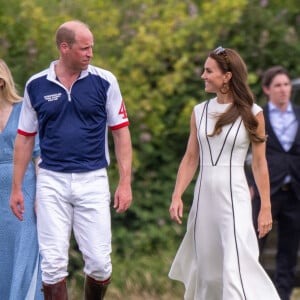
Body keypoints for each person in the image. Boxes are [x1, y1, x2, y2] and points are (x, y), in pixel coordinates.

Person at [10, 20, 132, 299]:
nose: (90, 53)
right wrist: (17, 187)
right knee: (52, 265)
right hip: (51, 180)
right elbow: (25, 138)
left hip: (93, 179)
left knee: (100, 264)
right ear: (64, 48)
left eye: (92, 47)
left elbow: (121, 134)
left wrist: (125, 182)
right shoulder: (36, 85)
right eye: (84, 48)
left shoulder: (105, 81)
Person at [168, 47, 280, 299]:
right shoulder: (199, 112)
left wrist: (265, 207)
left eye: (209, 71)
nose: (203, 76)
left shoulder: (254, 114)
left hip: (235, 199)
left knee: (235, 268)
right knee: (208, 273)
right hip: (203, 200)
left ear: (227, 76)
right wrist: (177, 195)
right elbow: (190, 157)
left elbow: (260, 164)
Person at [250, 66, 300, 300]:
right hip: (266, 191)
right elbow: (247, 153)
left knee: (289, 251)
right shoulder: (258, 117)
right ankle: (250, 293)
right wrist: (250, 182)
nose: (283, 90)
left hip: (295, 192)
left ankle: (283, 296)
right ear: (267, 89)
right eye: (278, 85)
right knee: (254, 246)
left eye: (286, 85)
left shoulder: (299, 115)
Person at [0, 59, 43, 299]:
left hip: (24, 194)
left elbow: (39, 156)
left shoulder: (24, 110)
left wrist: (41, 196)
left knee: (26, 252)